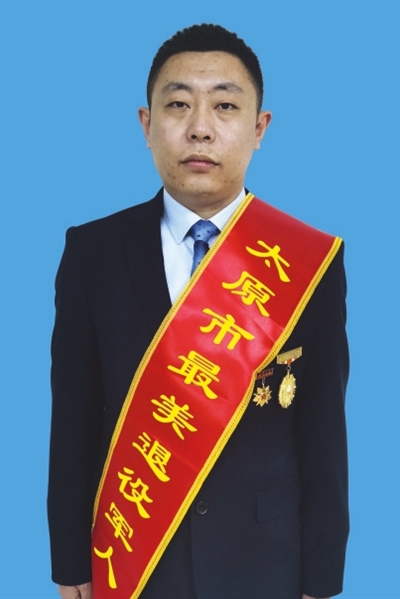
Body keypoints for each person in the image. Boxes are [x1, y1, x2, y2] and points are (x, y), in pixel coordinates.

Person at [48, 23, 349, 599]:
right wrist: (69, 563)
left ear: (259, 128)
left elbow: (323, 432)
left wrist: (322, 580)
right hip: (132, 554)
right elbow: (73, 419)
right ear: (147, 125)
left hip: (268, 561)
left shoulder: (308, 261)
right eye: (179, 104)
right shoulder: (93, 252)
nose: (201, 128)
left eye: (225, 106)